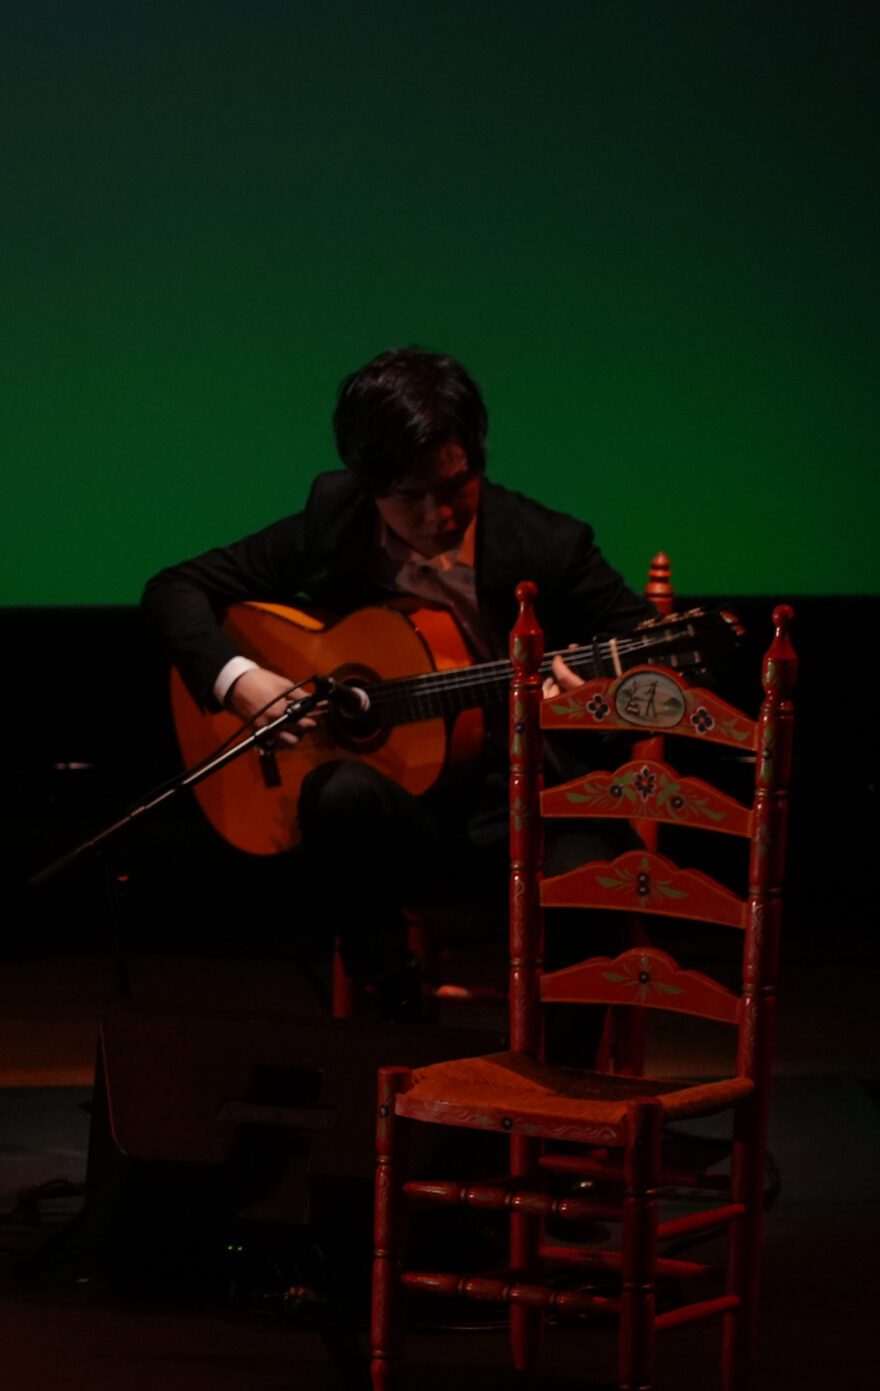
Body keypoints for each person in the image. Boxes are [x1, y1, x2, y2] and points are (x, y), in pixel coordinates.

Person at [142, 348, 651, 1016]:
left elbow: (655, 660)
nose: (439, 515)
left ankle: (564, 1092)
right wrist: (240, 680)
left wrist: (590, 706)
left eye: (457, 485)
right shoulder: (337, 520)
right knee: (336, 792)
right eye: (411, 499)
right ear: (370, 485)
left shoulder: (546, 544)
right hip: (414, 822)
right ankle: (391, 1017)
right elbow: (175, 589)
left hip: (534, 808)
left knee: (589, 880)